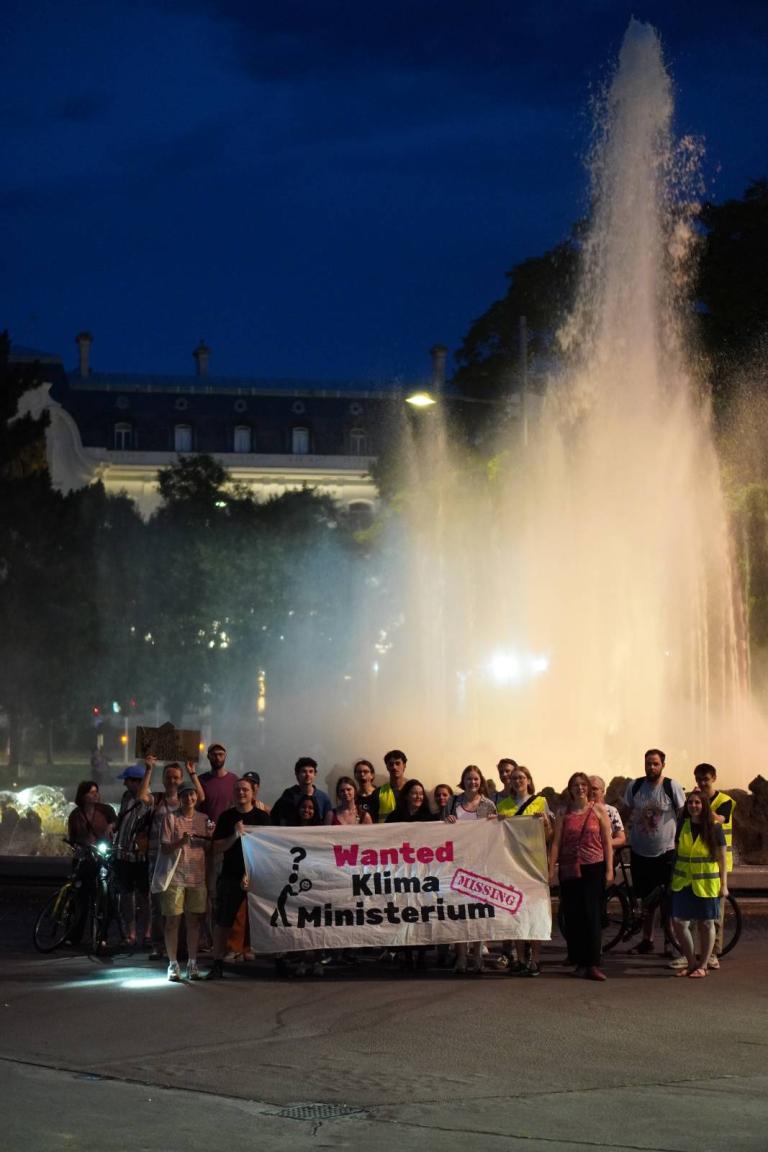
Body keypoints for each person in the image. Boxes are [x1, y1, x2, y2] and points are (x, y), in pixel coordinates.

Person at [138, 757, 205, 960]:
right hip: (159, 858)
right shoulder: (157, 800)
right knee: (158, 903)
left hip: (186, 860)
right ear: (164, 779)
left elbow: (201, 796)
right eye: (168, 777)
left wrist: (192, 772)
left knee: (183, 906)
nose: (172, 781)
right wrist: (149, 769)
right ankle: (158, 944)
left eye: (176, 777)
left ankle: (181, 946)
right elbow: (142, 796)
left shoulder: (188, 799)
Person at [549, 772, 613, 981]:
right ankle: (578, 960)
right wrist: (552, 868)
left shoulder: (598, 810)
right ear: (570, 789)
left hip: (593, 868)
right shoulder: (563, 812)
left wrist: (610, 869)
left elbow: (607, 842)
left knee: (592, 916)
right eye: (575, 785)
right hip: (569, 868)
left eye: (583, 784)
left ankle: (592, 963)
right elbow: (556, 842)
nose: (580, 788)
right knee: (573, 916)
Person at [206, 776, 270, 980]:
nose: (241, 793)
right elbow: (217, 847)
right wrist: (235, 835)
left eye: (245, 789)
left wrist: (251, 872)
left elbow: (270, 848)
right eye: (237, 790)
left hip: (258, 875)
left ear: (253, 793)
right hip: (231, 875)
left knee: (269, 918)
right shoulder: (226, 817)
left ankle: (277, 960)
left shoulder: (263, 817)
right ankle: (217, 963)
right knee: (224, 920)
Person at [622, 748, 685, 954]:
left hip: (665, 852)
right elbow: (626, 810)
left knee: (667, 899)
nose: (651, 767)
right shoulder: (636, 786)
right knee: (646, 899)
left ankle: (670, 942)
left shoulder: (671, 786)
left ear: (663, 765)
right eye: (648, 763)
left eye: (655, 763)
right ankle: (647, 941)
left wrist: (682, 841)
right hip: (640, 851)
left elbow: (683, 813)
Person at [496, 765, 552, 976]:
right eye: (514, 778)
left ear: (529, 780)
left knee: (536, 913)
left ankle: (535, 959)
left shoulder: (541, 802)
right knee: (516, 912)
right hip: (513, 865)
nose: (518, 781)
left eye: (522, 777)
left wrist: (545, 823)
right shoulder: (504, 805)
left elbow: (548, 836)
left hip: (535, 864)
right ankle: (520, 959)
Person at [443, 766, 497, 974]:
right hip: (457, 863)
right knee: (459, 912)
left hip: (480, 864)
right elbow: (441, 829)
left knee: (478, 912)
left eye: (475, 779)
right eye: (468, 779)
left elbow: (494, 835)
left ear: (480, 781)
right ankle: (461, 957)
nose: (472, 782)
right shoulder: (453, 802)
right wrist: (447, 822)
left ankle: (477, 956)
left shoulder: (488, 805)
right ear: (462, 781)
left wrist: (495, 823)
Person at [669, 791, 727, 979]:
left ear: (704, 805)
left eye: (697, 803)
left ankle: (703, 965)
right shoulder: (682, 825)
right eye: (690, 803)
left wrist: (724, 885)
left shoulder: (715, 828)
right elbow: (678, 854)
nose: (693, 806)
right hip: (683, 882)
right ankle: (692, 962)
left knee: (706, 923)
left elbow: (721, 859)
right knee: (679, 922)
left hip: (706, 883)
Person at [160, 784, 211, 982]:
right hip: (175, 876)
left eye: (192, 794)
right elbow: (165, 848)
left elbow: (209, 846)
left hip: (197, 876)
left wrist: (209, 838)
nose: (189, 798)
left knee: (194, 921)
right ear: (179, 797)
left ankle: (192, 962)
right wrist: (181, 842)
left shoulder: (204, 819)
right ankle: (173, 963)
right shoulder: (171, 818)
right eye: (185, 795)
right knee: (173, 921)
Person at [692, 762, 735, 969]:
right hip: (698, 863)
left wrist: (698, 805)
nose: (701, 783)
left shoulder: (725, 800)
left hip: (718, 862)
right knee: (696, 911)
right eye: (698, 779)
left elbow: (720, 818)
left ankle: (713, 954)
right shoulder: (695, 800)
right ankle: (695, 951)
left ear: (714, 778)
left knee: (715, 912)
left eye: (705, 779)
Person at [112, 763, 153, 948]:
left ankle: (148, 932)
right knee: (126, 895)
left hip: (140, 856)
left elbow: (143, 799)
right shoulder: (125, 797)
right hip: (123, 854)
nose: (124, 784)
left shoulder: (147, 799)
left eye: (127, 781)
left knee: (145, 896)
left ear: (137, 781)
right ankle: (131, 932)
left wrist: (149, 769)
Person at [271, 757, 332, 825]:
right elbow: (281, 819)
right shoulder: (289, 795)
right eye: (304, 771)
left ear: (315, 774)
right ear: (297, 774)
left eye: (311, 771)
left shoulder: (324, 798)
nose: (307, 775)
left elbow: (327, 826)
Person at [198, 743, 237, 826]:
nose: (217, 758)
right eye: (214, 755)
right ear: (208, 757)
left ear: (225, 756)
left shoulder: (234, 780)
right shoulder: (201, 780)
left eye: (220, 754)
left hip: (227, 828)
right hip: (204, 829)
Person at [67, 781, 116, 846]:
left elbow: (117, 822)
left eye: (96, 792)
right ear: (83, 796)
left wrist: (112, 825)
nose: (95, 795)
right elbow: (73, 836)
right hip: (84, 851)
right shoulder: (75, 815)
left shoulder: (106, 810)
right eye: (91, 792)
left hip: (104, 850)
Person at [588, 776, 626, 849]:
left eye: (594, 789)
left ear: (603, 791)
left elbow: (621, 839)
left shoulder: (611, 811)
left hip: (603, 856)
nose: (590, 791)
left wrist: (602, 844)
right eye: (588, 788)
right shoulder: (578, 810)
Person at [377, 750, 408, 822]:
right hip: (385, 832)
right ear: (387, 767)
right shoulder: (378, 793)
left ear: (404, 765)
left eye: (397, 763)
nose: (394, 767)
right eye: (391, 764)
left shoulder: (413, 791)